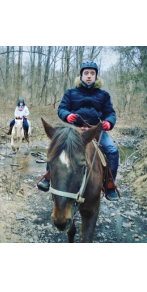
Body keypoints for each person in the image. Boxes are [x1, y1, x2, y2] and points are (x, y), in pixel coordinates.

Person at [38, 61, 119, 201]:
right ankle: (48, 177)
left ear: (96, 76)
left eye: (92, 73)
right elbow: (62, 108)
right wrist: (67, 115)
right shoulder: (71, 92)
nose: (89, 76)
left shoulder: (103, 95)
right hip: (74, 129)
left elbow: (110, 113)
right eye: (86, 73)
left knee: (112, 150)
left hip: (96, 130)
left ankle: (109, 184)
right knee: (56, 146)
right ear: (81, 76)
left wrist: (108, 122)